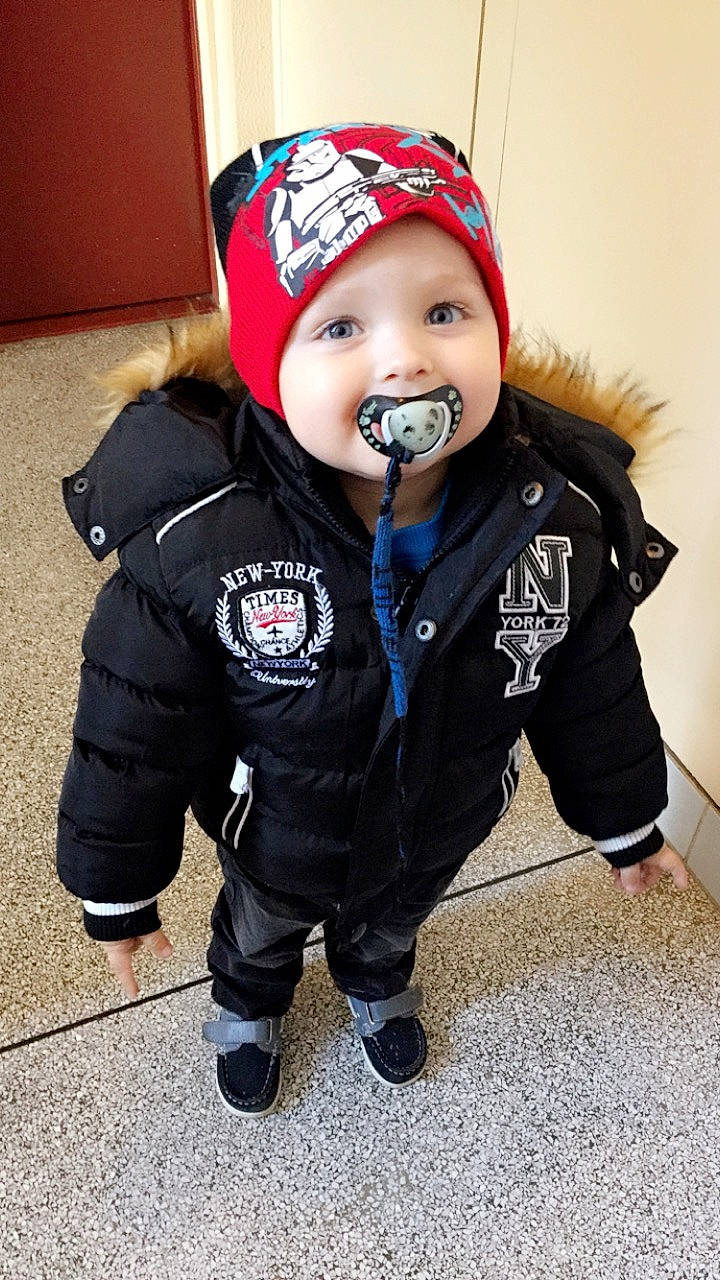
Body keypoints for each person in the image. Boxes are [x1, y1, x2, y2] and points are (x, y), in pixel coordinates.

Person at [57, 123, 688, 1119]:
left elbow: (591, 679)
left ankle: (373, 970)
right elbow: (131, 724)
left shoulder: (553, 517)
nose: (405, 358)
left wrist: (625, 820)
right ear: (268, 366)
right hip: (276, 820)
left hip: (442, 811)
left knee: (394, 915)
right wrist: (117, 885)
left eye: (446, 310)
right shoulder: (201, 536)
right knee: (263, 925)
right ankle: (251, 995)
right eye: (340, 327)